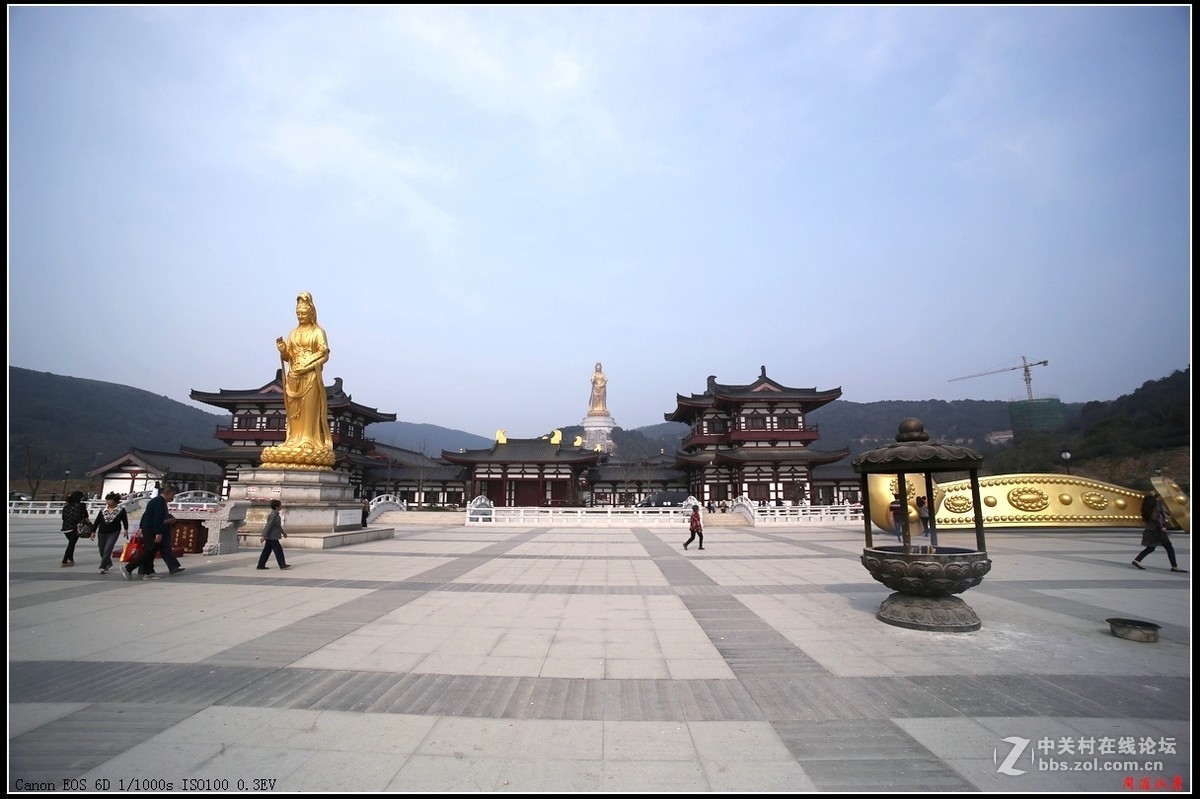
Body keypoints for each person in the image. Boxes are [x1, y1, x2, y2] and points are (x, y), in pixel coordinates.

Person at [263, 291, 334, 468]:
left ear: (312, 313)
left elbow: (324, 354)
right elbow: (289, 357)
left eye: (304, 313)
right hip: (294, 376)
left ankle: (308, 439)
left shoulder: (318, 332)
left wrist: (309, 365)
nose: (301, 316)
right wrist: (283, 350)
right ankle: (294, 439)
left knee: (309, 409)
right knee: (295, 412)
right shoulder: (293, 333)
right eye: (298, 314)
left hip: (310, 375)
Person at [122, 484, 179, 580]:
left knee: (151, 552)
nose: (173, 497)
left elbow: (146, 515)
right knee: (149, 552)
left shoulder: (157, 501)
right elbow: (157, 519)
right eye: (173, 495)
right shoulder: (159, 502)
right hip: (151, 529)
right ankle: (128, 568)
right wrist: (159, 532)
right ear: (169, 493)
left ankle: (149, 572)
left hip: (148, 528)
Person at [1132, 493, 1186, 573]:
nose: (1157, 501)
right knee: (1169, 547)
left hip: (1151, 531)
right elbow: (1156, 520)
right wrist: (1162, 527)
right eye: (1155, 500)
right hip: (1157, 531)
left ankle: (1137, 560)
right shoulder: (1154, 510)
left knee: (1150, 548)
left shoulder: (1146, 510)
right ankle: (1174, 566)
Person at [92, 492, 130, 574]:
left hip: (114, 531)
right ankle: (108, 562)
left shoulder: (121, 510)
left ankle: (102, 566)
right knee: (101, 549)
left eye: (110, 500)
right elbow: (97, 521)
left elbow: (124, 520)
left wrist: (126, 529)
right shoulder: (103, 510)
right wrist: (93, 531)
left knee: (108, 549)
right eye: (107, 500)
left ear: (115, 501)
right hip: (102, 531)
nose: (108, 502)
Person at [257, 499, 291, 570]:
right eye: (280, 505)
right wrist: (263, 535)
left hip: (272, 537)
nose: (281, 506)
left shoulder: (276, 515)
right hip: (272, 537)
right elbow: (268, 525)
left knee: (266, 551)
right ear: (277, 507)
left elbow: (277, 526)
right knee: (278, 551)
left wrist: (283, 532)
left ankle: (261, 565)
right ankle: (282, 565)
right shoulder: (273, 515)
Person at [60, 491, 89, 567]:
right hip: (75, 527)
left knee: (71, 543)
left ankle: (71, 558)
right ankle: (64, 560)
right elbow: (86, 517)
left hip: (65, 528)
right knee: (71, 544)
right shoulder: (81, 506)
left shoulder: (66, 506)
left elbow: (63, 517)